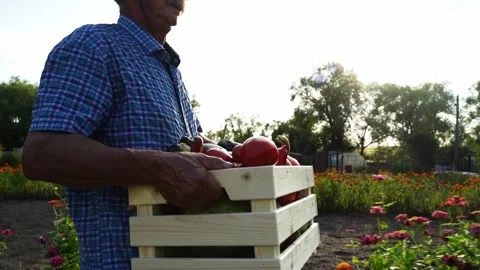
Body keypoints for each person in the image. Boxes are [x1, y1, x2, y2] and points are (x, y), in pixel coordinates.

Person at [21, 0, 234, 269]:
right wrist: (157, 168)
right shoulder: (94, 45)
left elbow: (194, 151)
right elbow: (41, 155)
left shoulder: (169, 69)